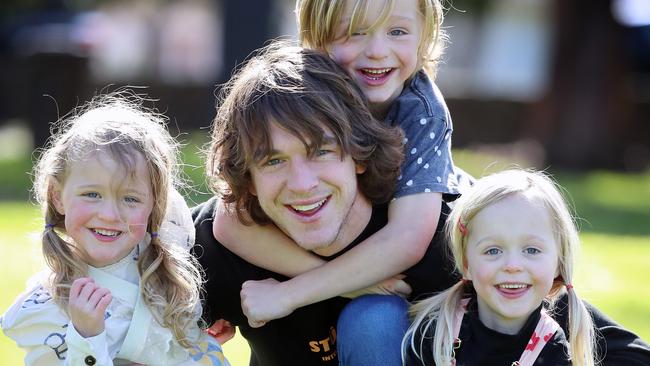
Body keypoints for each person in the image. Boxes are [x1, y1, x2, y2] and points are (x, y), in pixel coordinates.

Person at [213, 0, 467, 352]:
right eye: (354, 32)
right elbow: (228, 222)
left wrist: (289, 294)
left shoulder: (421, 112)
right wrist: (348, 284)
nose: (377, 52)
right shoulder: (295, 97)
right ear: (315, 41)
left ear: (424, 37)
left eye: (397, 32)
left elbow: (407, 239)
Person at [1, 93, 229, 366]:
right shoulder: (45, 306)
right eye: (92, 194)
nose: (110, 215)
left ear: (154, 205)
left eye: (130, 199)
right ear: (58, 196)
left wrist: (195, 345)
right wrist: (86, 336)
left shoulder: (166, 268)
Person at [403, 169, 598, 365]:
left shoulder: (554, 352)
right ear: (466, 263)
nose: (512, 266)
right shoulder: (437, 336)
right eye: (493, 251)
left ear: (559, 262)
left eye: (531, 250)